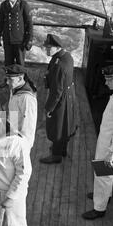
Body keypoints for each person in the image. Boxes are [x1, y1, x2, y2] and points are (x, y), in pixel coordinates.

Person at [82, 65, 113, 220]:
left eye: (109, 80)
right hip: (106, 142)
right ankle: (105, 195)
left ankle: (99, 208)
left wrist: (111, 154)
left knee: (103, 175)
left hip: (109, 147)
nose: (107, 83)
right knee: (107, 176)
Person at [40, 34, 77, 164]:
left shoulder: (58, 65)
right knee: (66, 124)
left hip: (61, 99)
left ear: (57, 47)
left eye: (49, 47)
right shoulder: (67, 56)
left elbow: (56, 92)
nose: (46, 50)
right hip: (69, 95)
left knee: (57, 126)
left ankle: (56, 156)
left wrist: (49, 108)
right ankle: (62, 149)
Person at [0, 0, 33, 67]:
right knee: (8, 63)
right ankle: (9, 79)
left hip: (20, 40)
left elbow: (29, 24)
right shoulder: (4, 5)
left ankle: (21, 79)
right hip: (7, 39)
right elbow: (0, 22)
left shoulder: (23, 5)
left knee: (20, 63)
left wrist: (29, 39)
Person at [4, 64, 37, 148]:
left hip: (19, 143)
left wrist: (21, 145)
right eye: (7, 79)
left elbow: (28, 125)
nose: (7, 82)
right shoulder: (15, 88)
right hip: (11, 135)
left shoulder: (27, 98)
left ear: (20, 78)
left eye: (10, 79)